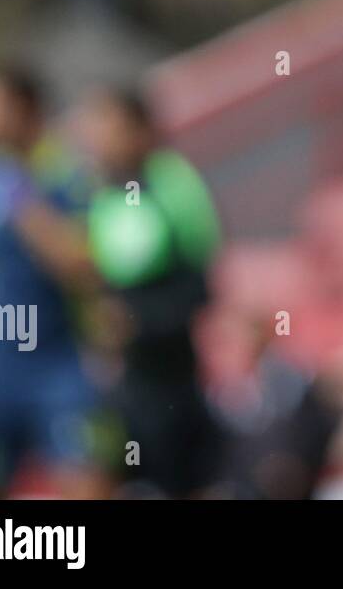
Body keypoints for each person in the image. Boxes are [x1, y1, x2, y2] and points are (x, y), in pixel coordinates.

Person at [0, 64, 106, 497]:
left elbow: (83, 262)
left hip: (60, 363)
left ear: (23, 108)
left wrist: (24, 203)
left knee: (85, 480)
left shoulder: (67, 169)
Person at [77, 85, 222, 497]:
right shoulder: (102, 190)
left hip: (171, 381)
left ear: (142, 130)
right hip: (122, 382)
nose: (101, 138)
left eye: (112, 126)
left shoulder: (174, 186)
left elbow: (200, 288)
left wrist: (138, 322)